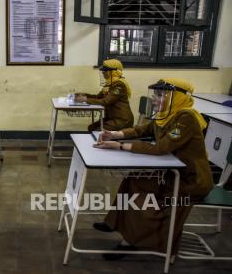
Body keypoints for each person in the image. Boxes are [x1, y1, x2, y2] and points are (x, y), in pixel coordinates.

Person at [93, 78, 213, 260]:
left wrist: (120, 146)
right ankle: (115, 223)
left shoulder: (186, 118)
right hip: (172, 173)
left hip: (190, 181)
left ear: (177, 97)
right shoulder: (168, 114)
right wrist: (117, 134)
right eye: (155, 95)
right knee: (133, 179)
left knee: (143, 199)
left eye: (161, 95)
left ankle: (132, 241)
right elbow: (145, 129)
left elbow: (161, 148)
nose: (155, 99)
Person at [75, 59, 134, 131]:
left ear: (113, 72)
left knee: (97, 130)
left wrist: (85, 100)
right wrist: (84, 95)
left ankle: (107, 142)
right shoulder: (109, 84)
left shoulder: (119, 85)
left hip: (122, 121)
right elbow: (98, 97)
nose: (103, 72)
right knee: (91, 128)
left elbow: (105, 101)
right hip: (111, 118)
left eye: (105, 70)